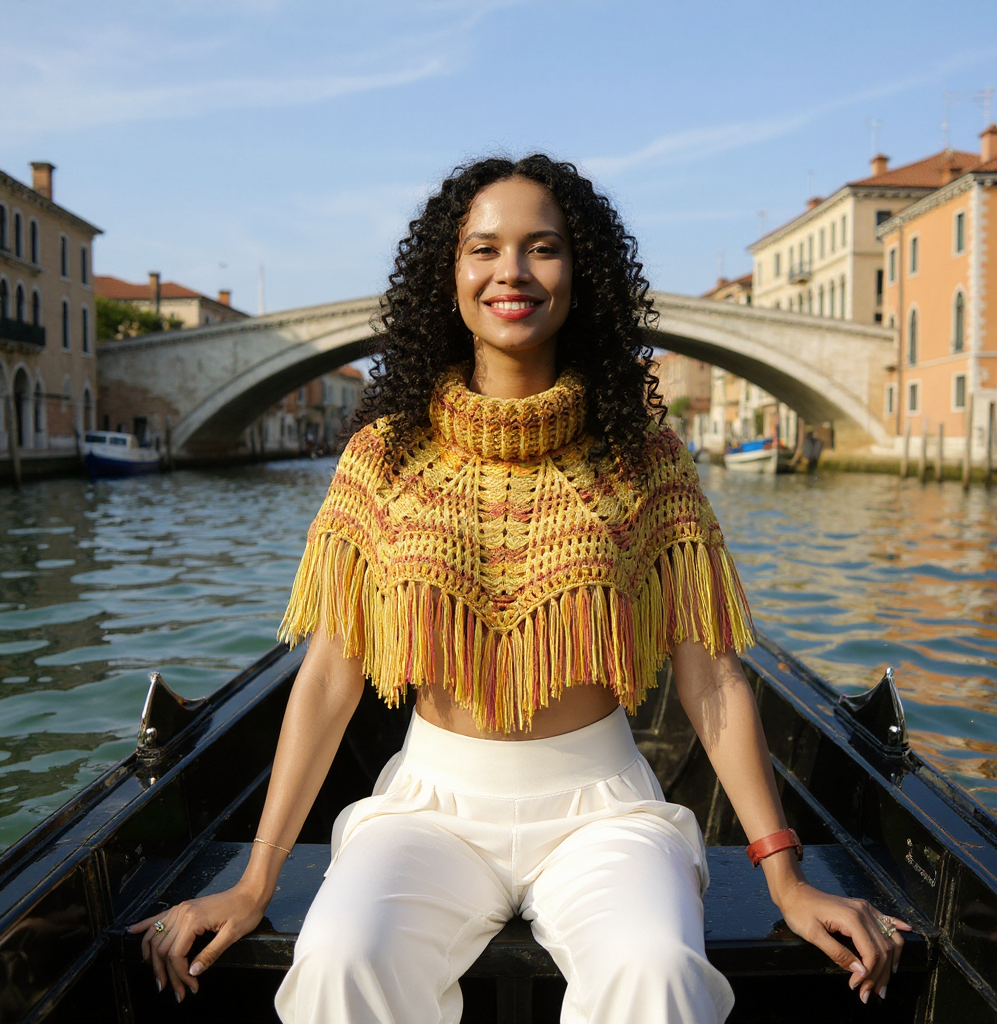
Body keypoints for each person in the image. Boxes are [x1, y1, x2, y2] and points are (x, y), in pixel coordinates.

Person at [129, 155, 909, 1023]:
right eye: (484, 249)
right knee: (340, 962)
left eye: (542, 248)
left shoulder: (645, 459)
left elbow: (714, 677)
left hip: (603, 812)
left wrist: (786, 876)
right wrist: (254, 880)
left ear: (581, 275)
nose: (512, 272)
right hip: (427, 810)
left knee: (656, 972)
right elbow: (326, 678)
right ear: (449, 275)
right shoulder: (384, 456)